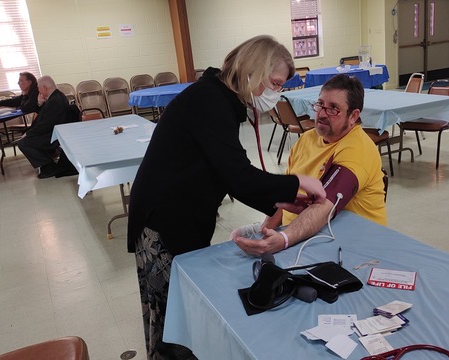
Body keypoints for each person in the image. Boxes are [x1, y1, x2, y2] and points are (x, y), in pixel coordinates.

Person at [126, 35, 326, 360]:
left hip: (179, 213)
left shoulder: (220, 99)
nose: (275, 93)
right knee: (171, 317)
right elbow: (237, 175)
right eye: (274, 83)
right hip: (163, 221)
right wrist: (296, 183)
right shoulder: (210, 101)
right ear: (254, 69)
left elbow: (224, 171)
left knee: (178, 311)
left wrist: (281, 201)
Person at [233, 74, 387, 256]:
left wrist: (283, 239)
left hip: (352, 245)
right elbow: (286, 198)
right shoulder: (307, 139)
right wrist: (265, 233)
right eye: (320, 104)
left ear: (353, 116)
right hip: (306, 234)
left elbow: (324, 206)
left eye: (333, 109)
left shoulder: (357, 150)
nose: (321, 114)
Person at [16, 75, 69, 178]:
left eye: (39, 88)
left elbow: (45, 124)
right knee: (26, 138)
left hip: (52, 134)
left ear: (44, 87)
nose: (38, 91)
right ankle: (47, 163)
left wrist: (29, 133)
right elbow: (44, 119)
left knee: (23, 143)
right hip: (53, 131)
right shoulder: (55, 97)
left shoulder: (54, 101)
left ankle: (49, 166)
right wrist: (40, 104)